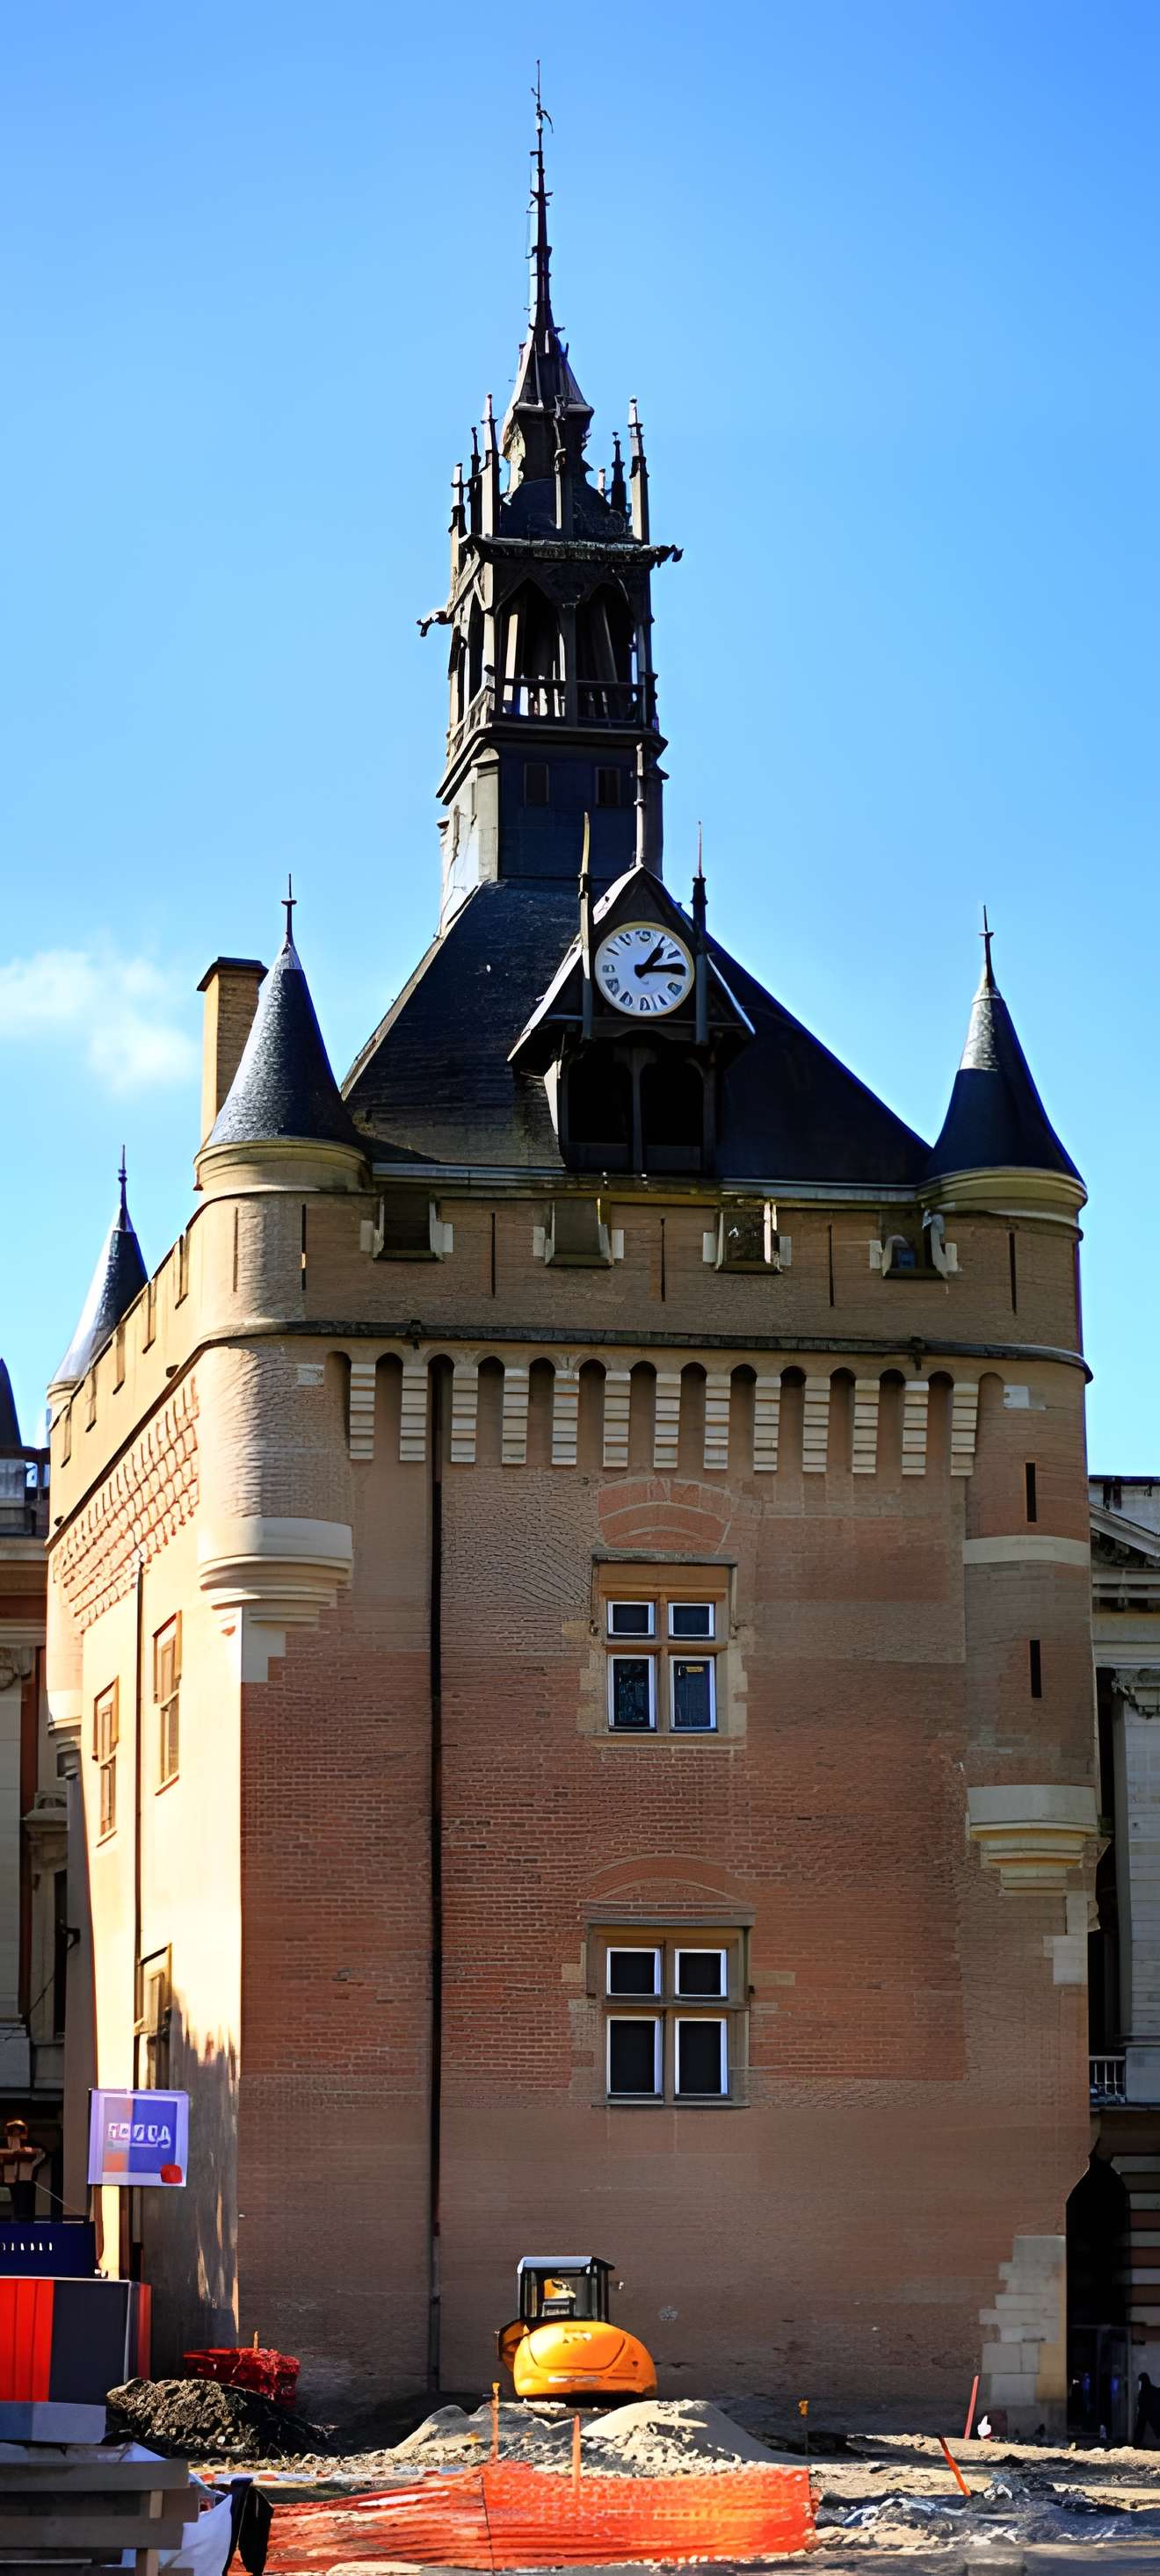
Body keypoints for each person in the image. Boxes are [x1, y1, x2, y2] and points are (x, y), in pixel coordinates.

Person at [1134, 2370, 1160, 2448]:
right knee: (1141, 2427)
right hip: (1148, 2412)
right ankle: (1136, 2443)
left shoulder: (1145, 2391)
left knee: (1140, 2428)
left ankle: (1136, 2443)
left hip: (1146, 2412)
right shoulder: (1150, 2390)